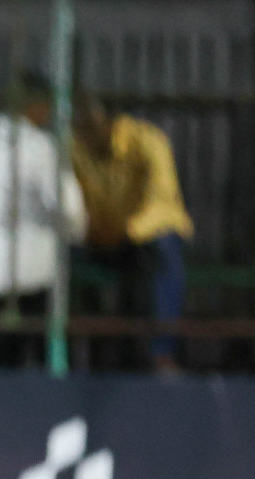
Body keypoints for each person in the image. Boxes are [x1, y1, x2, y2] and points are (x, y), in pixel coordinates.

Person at [0, 72, 86, 369]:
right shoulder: (41, 147)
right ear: (35, 105)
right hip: (36, 272)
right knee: (43, 363)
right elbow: (70, 210)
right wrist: (76, 236)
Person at [72, 95, 195, 373]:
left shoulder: (147, 140)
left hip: (140, 237)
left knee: (166, 250)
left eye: (92, 126)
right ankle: (83, 359)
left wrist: (127, 231)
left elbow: (163, 202)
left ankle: (162, 354)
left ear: (110, 122)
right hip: (99, 239)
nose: (87, 134)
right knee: (58, 260)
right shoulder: (75, 148)